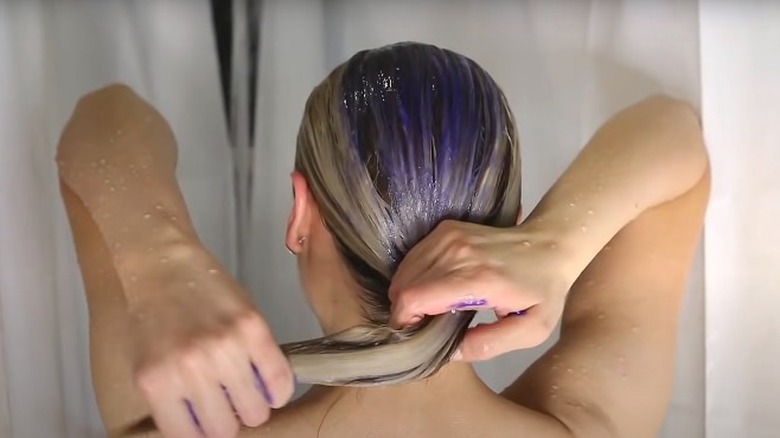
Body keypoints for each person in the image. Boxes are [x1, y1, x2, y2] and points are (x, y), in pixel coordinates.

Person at [57, 42, 709, 438]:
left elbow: (100, 120)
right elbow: (676, 135)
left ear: (299, 212)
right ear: (506, 236)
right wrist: (559, 240)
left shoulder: (168, 419)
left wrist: (163, 262)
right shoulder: (590, 424)